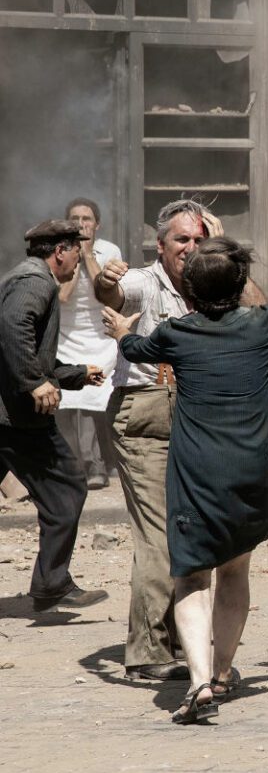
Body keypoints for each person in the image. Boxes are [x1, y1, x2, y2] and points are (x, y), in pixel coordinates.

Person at [108, 240, 268, 722]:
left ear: (188, 292)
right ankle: (226, 673)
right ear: (240, 287)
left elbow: (135, 348)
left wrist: (123, 331)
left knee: (191, 573)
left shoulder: (176, 334)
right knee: (235, 570)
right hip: (257, 469)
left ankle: (200, 681)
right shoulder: (265, 323)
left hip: (199, 471)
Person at [93, 199, 208, 680]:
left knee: (192, 530)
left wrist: (220, 251)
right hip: (144, 409)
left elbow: (257, 306)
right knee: (159, 535)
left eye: (199, 239)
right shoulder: (144, 281)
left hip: (194, 413)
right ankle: (147, 652)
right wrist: (105, 278)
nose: (191, 248)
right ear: (161, 246)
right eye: (182, 240)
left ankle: (181, 637)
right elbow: (112, 294)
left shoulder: (211, 279)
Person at [0, 220, 110, 613]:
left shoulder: (26, 278)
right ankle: (52, 582)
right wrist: (34, 383)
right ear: (60, 251)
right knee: (67, 488)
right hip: (16, 418)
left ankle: (51, 581)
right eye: (76, 250)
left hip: (8, 415)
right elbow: (12, 331)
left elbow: (30, 351)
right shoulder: (36, 281)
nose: (79, 258)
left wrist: (76, 374)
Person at [54, 198, 121, 492]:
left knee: (96, 397)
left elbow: (105, 294)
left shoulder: (110, 251)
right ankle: (81, 465)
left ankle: (100, 462)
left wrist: (89, 255)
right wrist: (75, 258)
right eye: (75, 219)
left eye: (87, 219)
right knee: (70, 401)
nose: (81, 224)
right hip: (67, 336)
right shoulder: (57, 252)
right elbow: (62, 296)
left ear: (97, 224)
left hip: (100, 336)